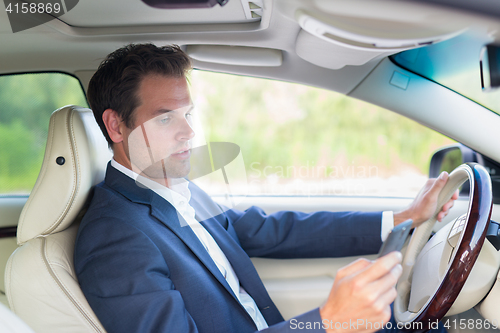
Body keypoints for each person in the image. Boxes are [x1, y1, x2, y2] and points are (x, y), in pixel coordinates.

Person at [74, 43, 457, 333]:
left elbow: (270, 230)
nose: (189, 132)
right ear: (116, 126)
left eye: (188, 114)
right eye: (165, 119)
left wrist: (403, 217)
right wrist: (328, 321)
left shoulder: (173, 189)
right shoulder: (114, 237)